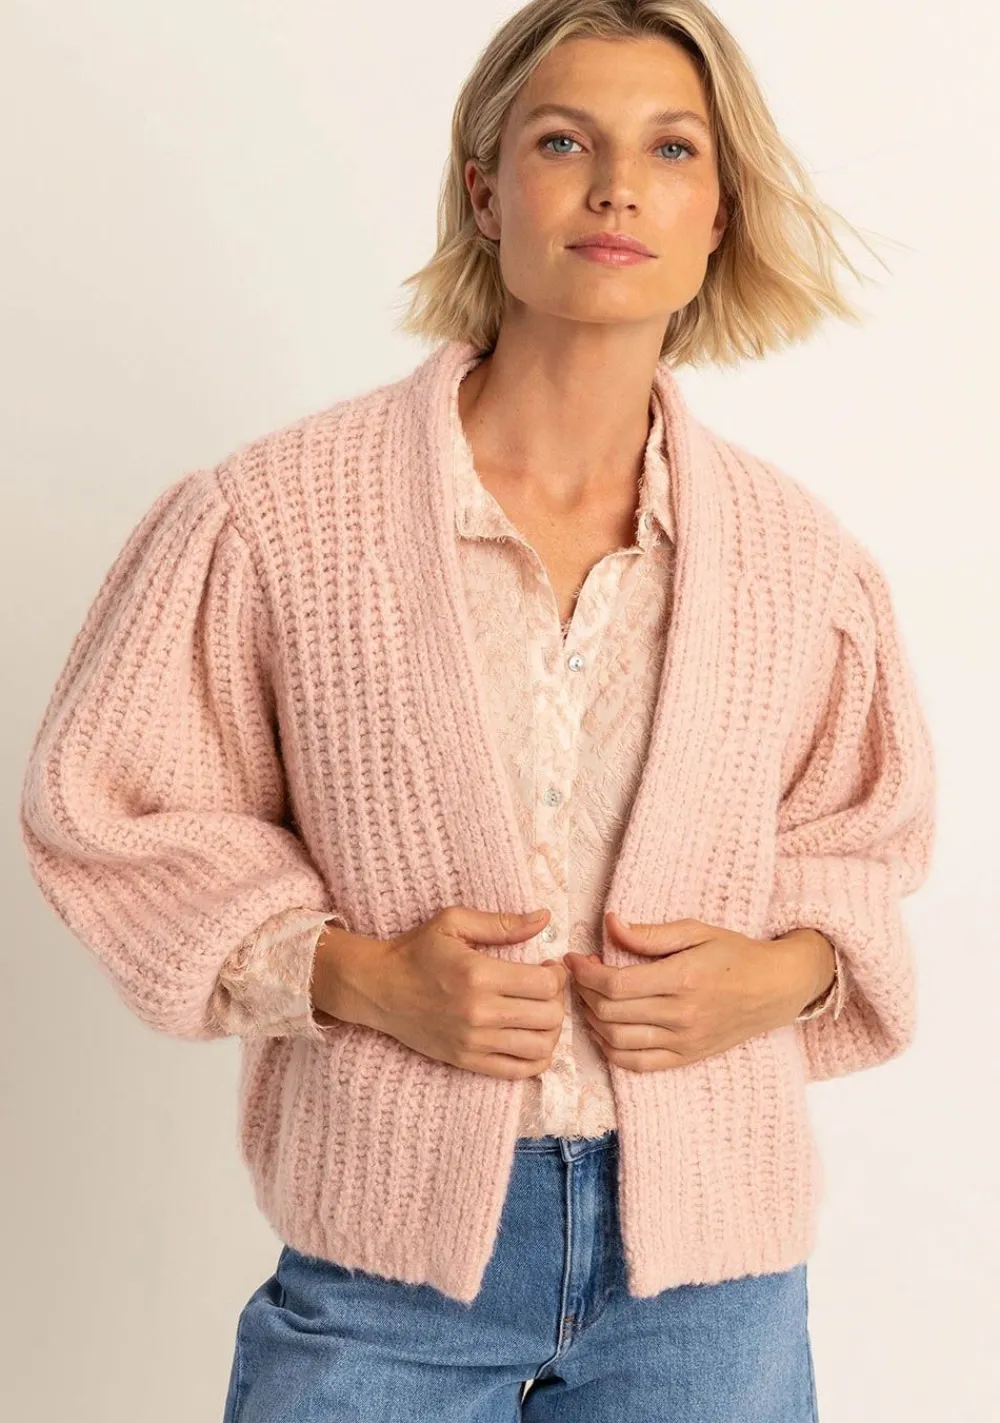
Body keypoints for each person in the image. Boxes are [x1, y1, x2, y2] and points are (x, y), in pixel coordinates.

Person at [19, 1, 937, 1419]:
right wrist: (356, 974)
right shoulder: (273, 519)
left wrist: (783, 973)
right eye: (564, 141)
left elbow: (862, 843)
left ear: (719, 213)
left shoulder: (802, 562)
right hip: (386, 1269)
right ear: (486, 192)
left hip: (712, 1286)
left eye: (671, 149)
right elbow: (113, 810)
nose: (617, 187)